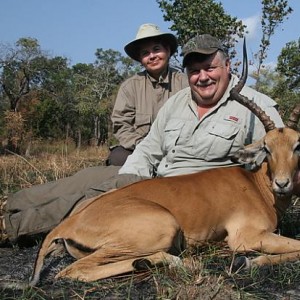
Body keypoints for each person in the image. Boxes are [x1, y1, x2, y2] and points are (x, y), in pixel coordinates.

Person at [2, 34, 297, 247]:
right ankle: (12, 203)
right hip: (152, 173)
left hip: (189, 191)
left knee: (96, 194)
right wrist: (132, 174)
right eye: (194, 71)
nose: (202, 77)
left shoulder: (257, 106)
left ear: (228, 66)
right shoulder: (179, 100)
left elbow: (285, 151)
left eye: (210, 68)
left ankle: (9, 227)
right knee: (86, 177)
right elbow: (150, 145)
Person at [107, 23, 188, 165]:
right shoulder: (130, 87)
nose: (152, 56)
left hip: (178, 149)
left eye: (156, 49)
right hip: (140, 148)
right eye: (145, 53)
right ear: (140, 59)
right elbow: (121, 125)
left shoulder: (185, 83)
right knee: (117, 157)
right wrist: (143, 146)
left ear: (168, 51)